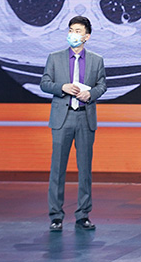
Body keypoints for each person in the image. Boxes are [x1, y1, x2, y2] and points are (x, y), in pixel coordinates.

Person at [40, 15, 107, 232]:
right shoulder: (55, 58)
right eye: (71, 30)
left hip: (85, 117)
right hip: (63, 117)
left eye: (78, 31)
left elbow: (102, 85)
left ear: (87, 36)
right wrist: (62, 87)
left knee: (85, 169)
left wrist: (91, 94)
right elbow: (44, 83)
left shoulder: (96, 60)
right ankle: (56, 216)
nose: (73, 34)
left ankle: (83, 215)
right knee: (57, 169)